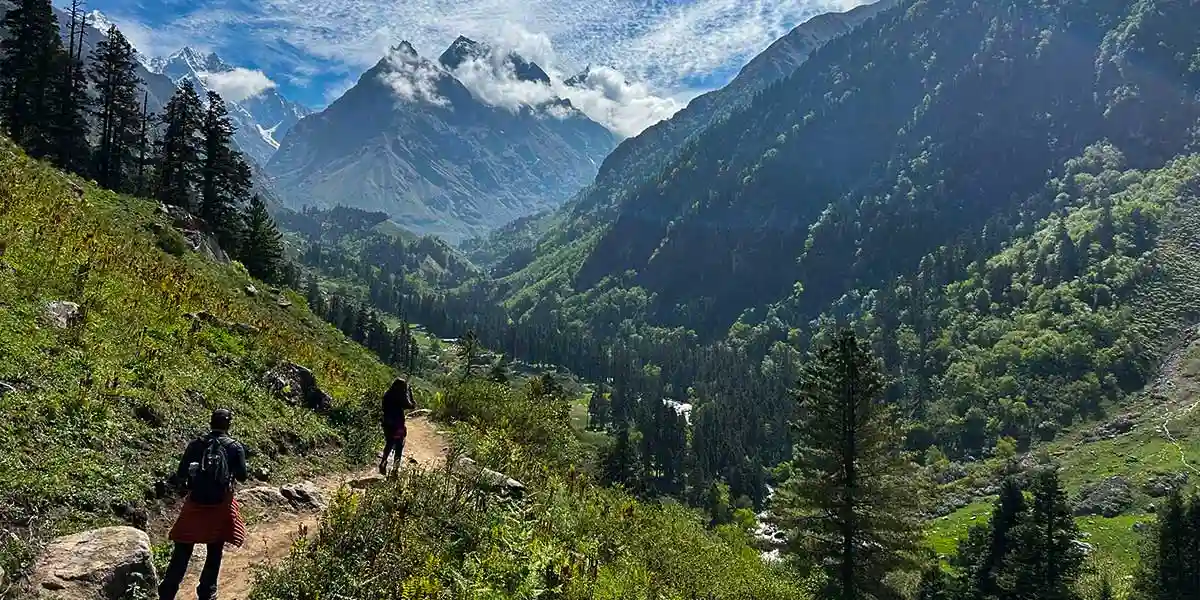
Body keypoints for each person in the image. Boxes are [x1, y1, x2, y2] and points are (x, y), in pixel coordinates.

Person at [158, 409, 248, 600]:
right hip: (220, 505)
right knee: (214, 550)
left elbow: (181, 473)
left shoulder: (196, 445)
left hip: (195, 503)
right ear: (228, 425)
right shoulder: (234, 447)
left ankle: (167, 592)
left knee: (182, 549)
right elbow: (242, 476)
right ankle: (207, 593)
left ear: (210, 422)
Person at [380, 377, 416, 476]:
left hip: (387, 423)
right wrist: (409, 392)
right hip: (398, 425)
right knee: (399, 447)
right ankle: (395, 470)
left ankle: (383, 461)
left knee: (389, 443)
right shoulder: (400, 398)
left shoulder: (387, 395)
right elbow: (412, 405)